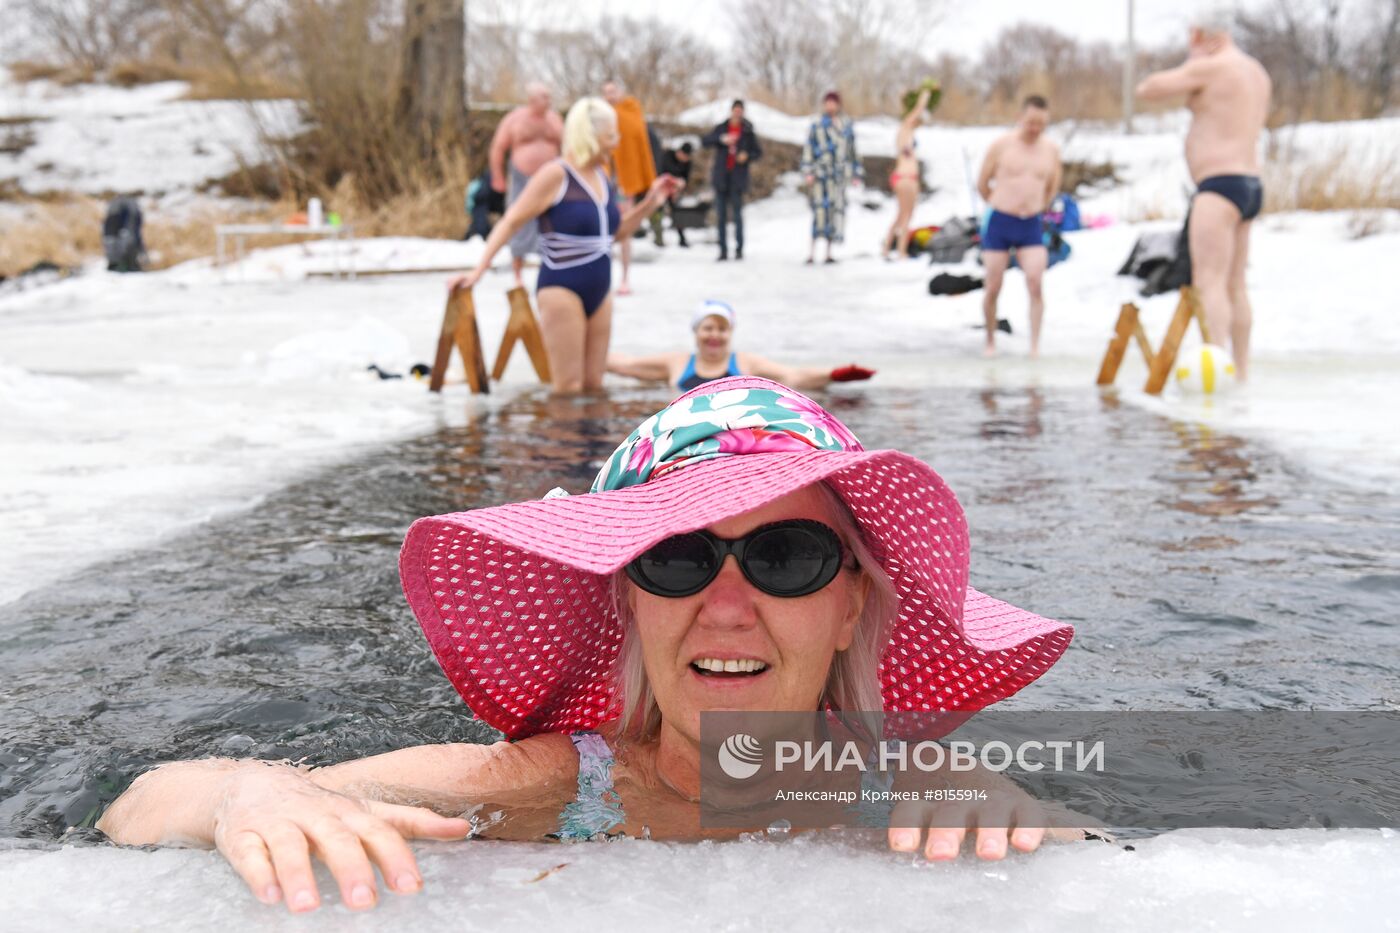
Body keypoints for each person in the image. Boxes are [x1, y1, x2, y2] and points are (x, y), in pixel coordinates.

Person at [97, 376, 1078, 913]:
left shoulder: (905, 787)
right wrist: (250, 791)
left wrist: (1014, 802)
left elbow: (1099, 858)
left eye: (784, 556)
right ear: (628, 603)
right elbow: (139, 807)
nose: (726, 607)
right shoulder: (559, 785)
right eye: (677, 561)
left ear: (849, 608)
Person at [447, 98, 680, 394]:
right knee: (569, 389)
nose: (617, 143)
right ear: (590, 137)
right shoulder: (555, 175)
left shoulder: (601, 175)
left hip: (599, 290)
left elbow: (613, 234)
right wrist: (478, 271)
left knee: (594, 387)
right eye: (611, 136)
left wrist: (651, 203)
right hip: (561, 288)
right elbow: (510, 221)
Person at [1136, 14, 1271, 382]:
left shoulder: (1211, 67)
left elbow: (1147, 88)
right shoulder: (1256, 71)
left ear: (1198, 34)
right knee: (1235, 284)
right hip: (1249, 184)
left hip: (1219, 185)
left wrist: (1193, 61)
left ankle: (1218, 369)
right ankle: (1241, 371)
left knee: (1208, 282)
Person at [607, 299, 876, 390]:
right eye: (708, 328)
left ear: (731, 332)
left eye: (722, 329)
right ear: (696, 331)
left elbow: (791, 376)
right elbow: (626, 365)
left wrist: (833, 376)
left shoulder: (744, 363)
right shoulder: (677, 363)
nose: (715, 335)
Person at [975, 95, 1062, 358]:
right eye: (1031, 122)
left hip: (1031, 223)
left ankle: (1034, 346)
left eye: (1041, 124)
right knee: (993, 285)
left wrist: (1039, 206)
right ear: (1020, 118)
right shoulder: (1001, 145)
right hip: (1000, 221)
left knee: (1036, 282)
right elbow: (982, 181)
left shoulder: (1051, 150)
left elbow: (1052, 185)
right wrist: (998, 203)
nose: (1035, 128)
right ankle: (990, 340)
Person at [487, 82, 564, 288]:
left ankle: (546, 269)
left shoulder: (555, 120)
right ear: (532, 99)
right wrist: (498, 177)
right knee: (518, 221)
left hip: (549, 181)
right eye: (544, 97)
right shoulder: (515, 119)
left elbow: (567, 148)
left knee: (550, 223)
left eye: (549, 96)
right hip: (521, 177)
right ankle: (518, 276)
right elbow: (498, 147)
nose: (549, 101)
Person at [601, 81, 656, 296]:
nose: (609, 96)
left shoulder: (630, 113)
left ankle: (625, 278)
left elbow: (639, 145)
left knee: (625, 227)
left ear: (621, 93)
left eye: (613, 91)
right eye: (606, 92)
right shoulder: (599, 116)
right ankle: (603, 278)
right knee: (602, 229)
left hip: (624, 182)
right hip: (603, 178)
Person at [801, 91, 863, 265]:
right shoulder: (817, 125)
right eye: (827, 103)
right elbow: (809, 148)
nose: (830, 106)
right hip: (821, 175)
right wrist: (808, 171)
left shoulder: (846, 125)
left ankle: (829, 252)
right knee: (819, 212)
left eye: (833, 103)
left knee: (835, 213)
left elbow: (853, 150)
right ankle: (812, 252)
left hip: (839, 177)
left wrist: (856, 171)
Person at [702, 100, 763, 261]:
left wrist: (747, 156)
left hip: (737, 178)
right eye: (735, 110)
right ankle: (722, 249)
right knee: (721, 215)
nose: (737, 113)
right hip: (722, 177)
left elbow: (758, 152)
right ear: (731, 111)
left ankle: (739, 249)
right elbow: (705, 141)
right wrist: (722, 139)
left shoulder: (748, 131)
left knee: (737, 216)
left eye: (740, 111)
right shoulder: (722, 128)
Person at [883, 87, 931, 260]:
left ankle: (888, 248)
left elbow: (919, 118)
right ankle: (900, 251)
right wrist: (924, 98)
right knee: (904, 216)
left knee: (904, 215)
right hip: (904, 178)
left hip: (911, 178)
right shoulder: (904, 130)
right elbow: (916, 112)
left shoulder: (910, 133)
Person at [652, 142, 694, 247]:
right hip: (661, 189)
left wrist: (678, 188)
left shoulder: (688, 163)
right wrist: (675, 181)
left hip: (674, 191)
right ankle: (658, 238)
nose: (684, 159)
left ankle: (682, 239)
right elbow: (663, 172)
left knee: (677, 213)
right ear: (679, 152)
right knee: (657, 212)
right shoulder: (668, 156)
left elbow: (685, 179)